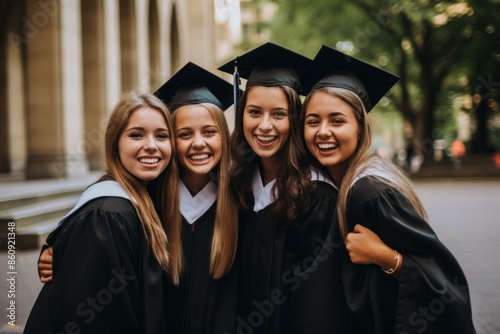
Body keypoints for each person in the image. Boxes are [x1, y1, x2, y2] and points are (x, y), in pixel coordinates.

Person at [301, 45, 476, 333]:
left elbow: (444, 286)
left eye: (337, 120)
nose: (323, 131)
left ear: (360, 128)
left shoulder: (369, 192)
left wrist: (386, 258)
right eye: (312, 121)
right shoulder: (332, 184)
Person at [25, 91, 182, 334]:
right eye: (136, 135)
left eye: (161, 135)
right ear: (115, 142)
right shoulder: (108, 217)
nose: (151, 146)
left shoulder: (147, 199)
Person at [219, 42, 347, 334]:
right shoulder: (237, 186)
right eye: (254, 112)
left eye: (278, 114)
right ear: (241, 116)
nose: (265, 125)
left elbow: (318, 307)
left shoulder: (317, 197)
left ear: (296, 121)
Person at [154, 61, 239, 334]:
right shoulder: (150, 203)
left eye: (209, 131)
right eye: (185, 134)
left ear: (224, 137)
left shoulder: (242, 204)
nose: (198, 143)